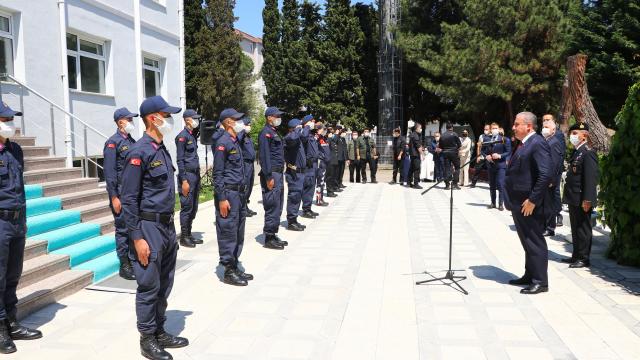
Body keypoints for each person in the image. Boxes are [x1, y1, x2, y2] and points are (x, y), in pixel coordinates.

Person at [120, 96, 188, 360]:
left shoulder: (161, 148)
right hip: (147, 227)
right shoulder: (139, 152)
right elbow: (128, 199)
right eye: (166, 115)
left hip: (166, 226)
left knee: (164, 282)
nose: (169, 119)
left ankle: (159, 331)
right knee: (149, 285)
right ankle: (147, 339)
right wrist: (137, 237)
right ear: (152, 118)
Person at [0, 103, 42, 355]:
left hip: (16, 220)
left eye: (10, 118)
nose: (10, 123)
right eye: (5, 118)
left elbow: (20, 187)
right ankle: (1, 328)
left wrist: (23, 219)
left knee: (13, 274)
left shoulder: (15, 149)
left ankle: (12, 321)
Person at [504, 111, 552, 295]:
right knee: (526, 241)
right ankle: (530, 274)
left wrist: (533, 199)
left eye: (517, 124)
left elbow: (545, 174)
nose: (514, 127)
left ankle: (541, 281)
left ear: (529, 126)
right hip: (519, 203)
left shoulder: (537, 143)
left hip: (529, 203)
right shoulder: (525, 143)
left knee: (534, 241)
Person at [214, 108, 253, 286]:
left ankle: (235, 264)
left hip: (239, 193)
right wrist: (222, 198)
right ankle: (228, 270)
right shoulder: (223, 142)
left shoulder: (234, 141)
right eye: (236, 119)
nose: (240, 122)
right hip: (228, 194)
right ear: (228, 122)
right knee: (228, 230)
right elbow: (218, 173)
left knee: (238, 230)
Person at [104, 107, 138, 280]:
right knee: (123, 229)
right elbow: (109, 173)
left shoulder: (132, 141)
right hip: (121, 195)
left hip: (133, 194)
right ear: (120, 122)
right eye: (129, 119)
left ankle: (134, 260)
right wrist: (114, 197)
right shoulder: (113, 143)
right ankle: (124, 265)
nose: (132, 122)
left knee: (134, 227)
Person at [562, 122, 599, 268]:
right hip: (573, 197)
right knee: (575, 227)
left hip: (582, 198)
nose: (573, 136)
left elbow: (590, 178)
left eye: (576, 133)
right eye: (572, 133)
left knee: (583, 228)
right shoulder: (578, 151)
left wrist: (588, 199)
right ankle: (576, 255)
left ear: (585, 135)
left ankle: (583, 258)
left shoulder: (588, 152)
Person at [258, 107, 288, 250]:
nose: (279, 118)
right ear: (269, 117)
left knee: (278, 204)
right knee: (272, 205)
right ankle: (269, 237)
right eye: (277, 116)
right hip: (271, 174)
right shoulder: (266, 133)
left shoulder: (274, 132)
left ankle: (273, 233)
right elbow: (264, 157)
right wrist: (268, 176)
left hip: (278, 173)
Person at [175, 109, 201, 249]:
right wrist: (184, 180)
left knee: (193, 206)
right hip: (188, 176)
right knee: (187, 207)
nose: (197, 121)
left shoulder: (192, 136)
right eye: (194, 118)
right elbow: (180, 160)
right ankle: (184, 237)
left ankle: (189, 234)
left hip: (195, 175)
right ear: (187, 120)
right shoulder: (182, 137)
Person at [541, 116, 565, 236]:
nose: (544, 129)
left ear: (553, 130)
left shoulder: (554, 142)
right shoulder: (546, 141)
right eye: (543, 126)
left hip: (550, 179)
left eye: (547, 127)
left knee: (549, 203)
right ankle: (545, 226)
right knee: (545, 203)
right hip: (544, 177)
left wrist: (551, 179)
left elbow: (555, 163)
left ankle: (550, 228)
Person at [284, 119, 309, 231]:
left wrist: (305, 128)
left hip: (300, 173)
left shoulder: (297, 137)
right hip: (294, 173)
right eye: (298, 126)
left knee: (297, 197)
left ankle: (294, 220)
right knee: (294, 197)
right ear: (293, 128)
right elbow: (293, 138)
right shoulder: (289, 137)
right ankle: (291, 221)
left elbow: (304, 137)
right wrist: (298, 129)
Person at [484, 122, 511, 210]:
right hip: (491, 165)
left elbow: (508, 151)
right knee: (492, 185)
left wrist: (500, 155)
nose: (494, 130)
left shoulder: (504, 139)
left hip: (500, 165)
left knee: (500, 184)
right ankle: (493, 203)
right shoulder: (487, 139)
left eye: (496, 128)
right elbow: (482, 151)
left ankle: (500, 204)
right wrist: (486, 156)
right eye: (493, 128)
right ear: (491, 129)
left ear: (499, 129)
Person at [300, 115, 320, 218]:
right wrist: (306, 127)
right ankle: (305, 209)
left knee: (312, 186)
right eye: (312, 121)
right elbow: (303, 138)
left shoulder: (311, 135)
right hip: (308, 165)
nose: (314, 123)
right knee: (308, 186)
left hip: (314, 164)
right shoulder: (304, 133)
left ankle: (308, 208)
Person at [239, 117, 258, 217]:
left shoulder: (248, 136)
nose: (249, 126)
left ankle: (246, 205)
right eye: (248, 124)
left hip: (251, 164)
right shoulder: (241, 135)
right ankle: (243, 208)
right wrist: (242, 130)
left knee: (250, 185)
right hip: (245, 164)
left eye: (250, 125)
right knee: (245, 186)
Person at [438, 123, 462, 190]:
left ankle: (447, 185)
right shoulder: (454, 134)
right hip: (454, 153)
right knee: (457, 167)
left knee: (447, 169)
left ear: (446, 128)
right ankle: (455, 184)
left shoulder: (442, 135)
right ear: (452, 127)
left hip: (445, 153)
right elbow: (459, 145)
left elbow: (440, 147)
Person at [317, 124, 335, 201]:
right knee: (320, 182)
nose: (325, 131)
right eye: (323, 130)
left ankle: (321, 199)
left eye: (325, 130)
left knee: (322, 181)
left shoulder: (324, 138)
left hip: (326, 162)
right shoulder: (317, 138)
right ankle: (319, 200)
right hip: (321, 162)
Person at [407, 123, 423, 188]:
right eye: (420, 128)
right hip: (415, 154)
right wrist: (422, 154)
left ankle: (409, 182)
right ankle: (416, 184)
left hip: (412, 154)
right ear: (417, 128)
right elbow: (418, 146)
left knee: (412, 168)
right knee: (417, 169)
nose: (421, 129)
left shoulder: (412, 134)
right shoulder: (415, 135)